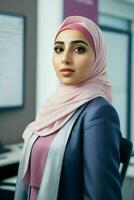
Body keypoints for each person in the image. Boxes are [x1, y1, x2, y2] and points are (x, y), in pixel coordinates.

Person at [14, 16, 122, 200]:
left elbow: (101, 194)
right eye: (59, 49)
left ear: (98, 56)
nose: (65, 58)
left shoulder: (99, 113)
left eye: (79, 49)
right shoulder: (53, 105)